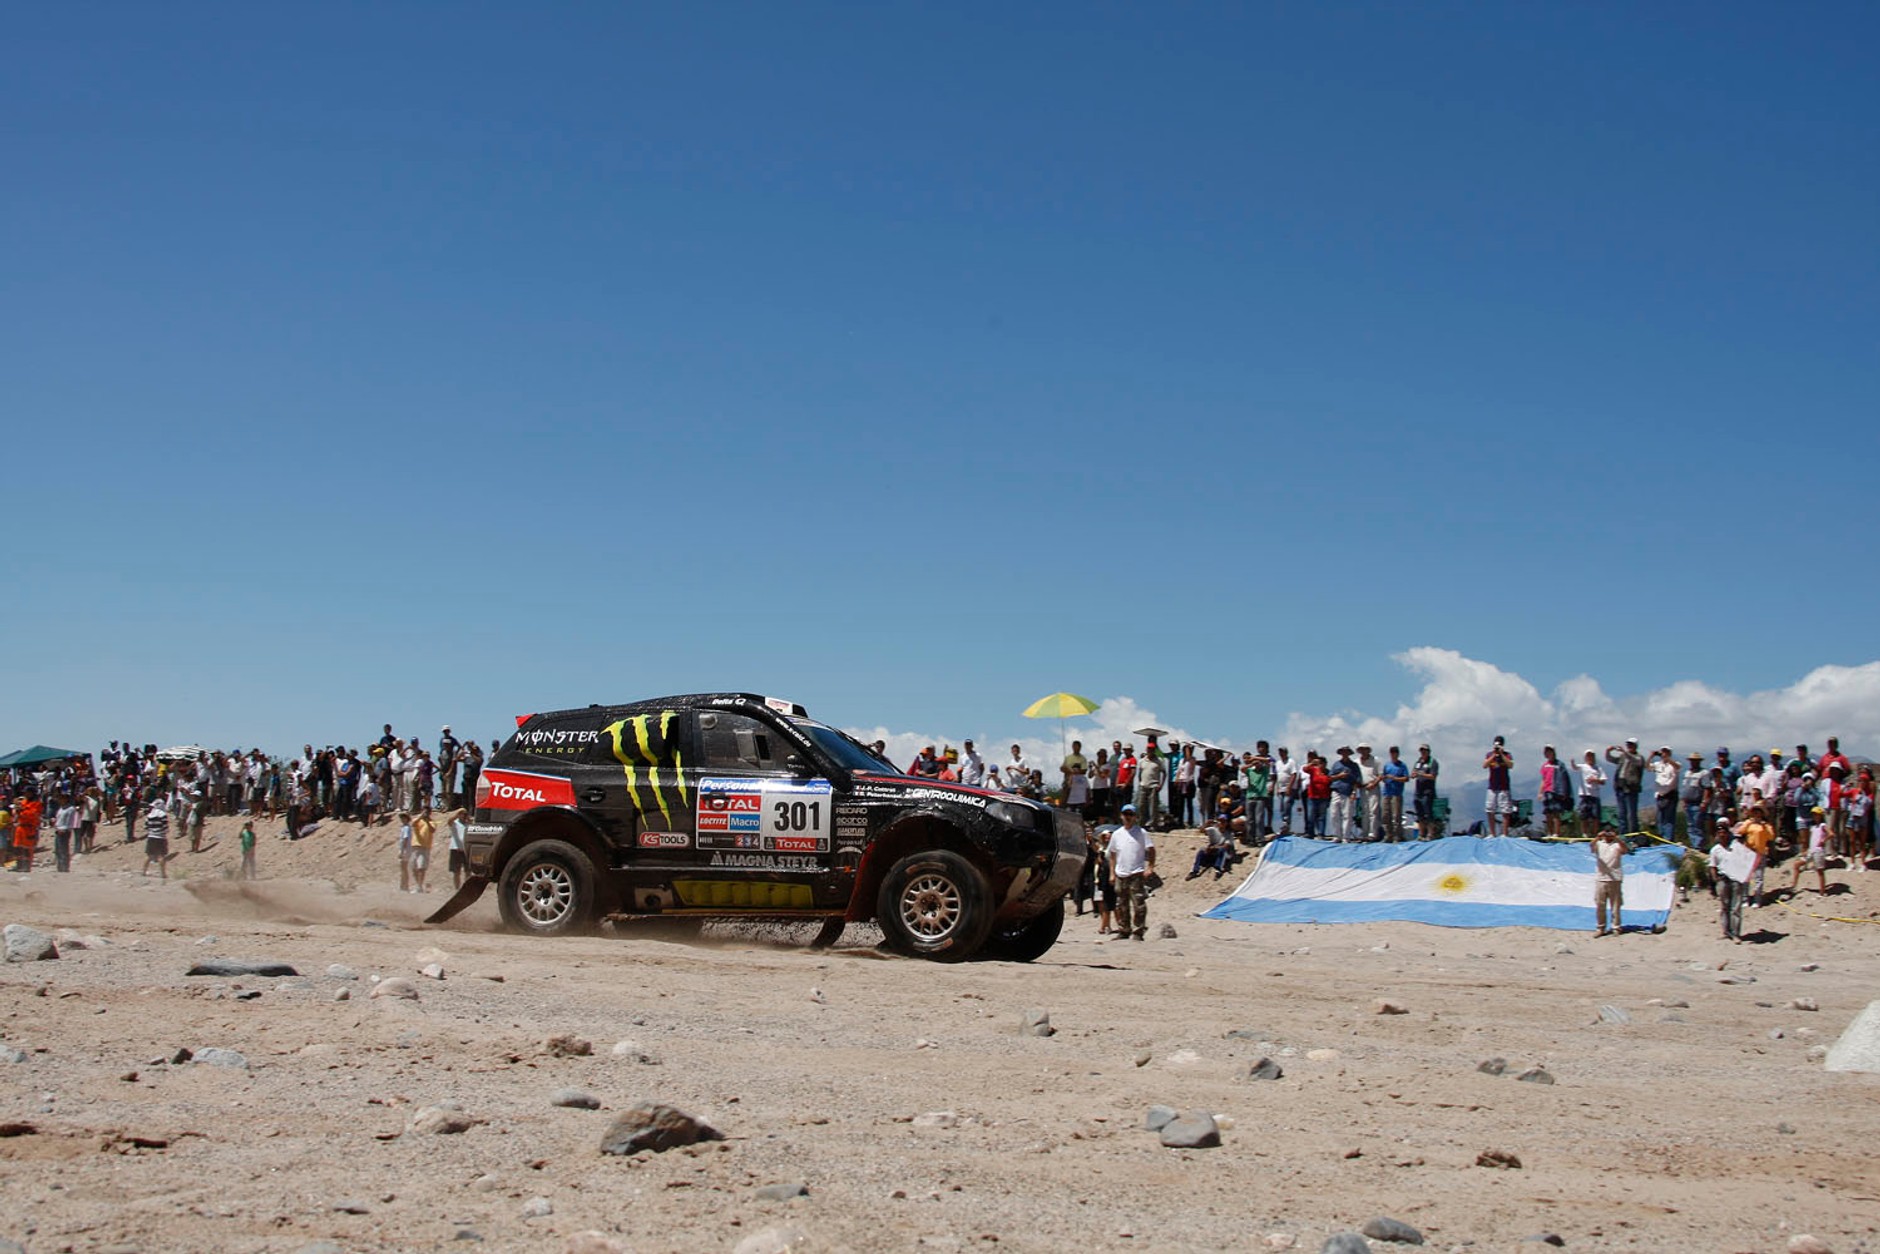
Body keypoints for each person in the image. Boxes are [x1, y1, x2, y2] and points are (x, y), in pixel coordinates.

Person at [1104, 804, 1155, 941]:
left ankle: (1138, 931)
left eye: (1130, 815)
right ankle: (1124, 929)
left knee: (1138, 904)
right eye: (1125, 814)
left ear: (1135, 817)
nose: (1127, 817)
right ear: (1121, 816)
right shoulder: (1117, 834)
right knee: (1121, 904)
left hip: (1136, 873)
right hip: (1121, 873)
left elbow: (1151, 849)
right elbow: (1113, 854)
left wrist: (1150, 866)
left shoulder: (1141, 832)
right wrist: (1112, 873)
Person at [1710, 817, 1752, 943]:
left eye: (1724, 833)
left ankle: (1736, 933)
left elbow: (1745, 860)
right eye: (1720, 833)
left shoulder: (1736, 846)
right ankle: (1726, 931)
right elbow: (1712, 866)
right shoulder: (1715, 850)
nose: (1722, 835)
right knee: (1724, 906)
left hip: (1735, 878)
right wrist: (1715, 879)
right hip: (1723, 879)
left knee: (1736, 907)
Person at [1734, 803, 1775, 907]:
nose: (1757, 814)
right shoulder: (1749, 823)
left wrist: (1764, 826)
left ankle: (1757, 899)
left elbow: (1771, 837)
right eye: (1755, 812)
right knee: (1746, 877)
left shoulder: (1766, 825)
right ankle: (1745, 899)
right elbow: (1740, 831)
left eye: (1759, 812)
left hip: (1760, 853)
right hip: (1748, 852)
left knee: (1759, 877)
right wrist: (1748, 822)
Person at [1786, 806, 1830, 898]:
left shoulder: (1823, 826)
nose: (1815, 816)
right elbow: (1811, 839)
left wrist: (1823, 841)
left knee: (1820, 871)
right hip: (1811, 850)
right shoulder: (1813, 827)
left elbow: (1831, 834)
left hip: (1818, 851)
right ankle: (1794, 885)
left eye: (1816, 815)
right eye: (1813, 815)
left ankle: (1822, 892)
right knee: (1797, 865)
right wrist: (1807, 849)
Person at [1604, 738, 1645, 836]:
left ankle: (1633, 834)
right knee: (1621, 813)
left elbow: (1636, 761)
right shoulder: (1623, 757)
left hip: (1631, 788)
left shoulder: (1639, 757)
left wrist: (1625, 753)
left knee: (1631, 813)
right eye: (1628, 745)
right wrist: (1608, 751)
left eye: (1631, 745)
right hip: (1620, 787)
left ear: (1635, 746)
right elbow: (1610, 759)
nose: (1629, 747)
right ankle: (1623, 835)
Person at [1591, 825, 1626, 936]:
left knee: (1615, 905)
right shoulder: (1599, 844)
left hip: (1615, 878)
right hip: (1601, 878)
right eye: (1607, 833)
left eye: (1610, 832)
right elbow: (1591, 847)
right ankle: (1600, 927)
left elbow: (1625, 850)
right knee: (1600, 905)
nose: (1608, 835)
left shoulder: (1617, 844)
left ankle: (1616, 927)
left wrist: (1617, 838)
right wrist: (1598, 837)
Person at [1188, 813, 1236, 879]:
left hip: (1223, 853)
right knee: (1201, 851)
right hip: (1213, 852)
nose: (1221, 823)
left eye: (1223, 821)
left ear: (1227, 823)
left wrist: (1213, 848)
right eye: (1220, 821)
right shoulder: (1213, 829)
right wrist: (1206, 824)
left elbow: (1226, 846)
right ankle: (1194, 871)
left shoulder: (1229, 834)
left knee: (1222, 850)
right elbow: (1201, 831)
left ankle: (1218, 869)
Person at [1539, 746, 1573, 838]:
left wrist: (1564, 792)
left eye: (1550, 751)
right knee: (1548, 813)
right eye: (1547, 752)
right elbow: (1543, 779)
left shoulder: (1560, 764)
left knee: (1556, 812)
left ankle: (1556, 833)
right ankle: (1549, 832)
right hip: (1547, 791)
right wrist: (1540, 792)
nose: (1548, 753)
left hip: (1557, 791)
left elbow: (1565, 779)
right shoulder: (1544, 765)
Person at [1483, 737, 1514, 837]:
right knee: (1490, 809)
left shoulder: (1507, 755)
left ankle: (1504, 833)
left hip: (1503, 786)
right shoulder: (1489, 755)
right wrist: (1493, 755)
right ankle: (1492, 833)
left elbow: (1510, 765)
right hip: (1492, 786)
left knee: (1505, 810)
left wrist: (1501, 754)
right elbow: (1484, 765)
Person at [1327, 747, 1360, 841]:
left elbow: (1356, 780)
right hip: (1336, 790)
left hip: (1348, 791)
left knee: (1347, 815)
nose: (1344, 754)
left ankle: (1346, 836)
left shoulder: (1354, 766)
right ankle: (1337, 835)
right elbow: (1330, 777)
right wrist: (1339, 776)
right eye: (1343, 752)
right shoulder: (1336, 764)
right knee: (1334, 814)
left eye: (1346, 752)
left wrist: (1354, 792)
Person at [1650, 747, 1680, 845]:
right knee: (1660, 819)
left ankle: (1668, 840)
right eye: (1662, 752)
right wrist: (1651, 756)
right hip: (1660, 795)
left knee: (1669, 819)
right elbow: (1647, 767)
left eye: (1666, 752)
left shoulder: (1674, 764)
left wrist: (1667, 759)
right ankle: (1662, 838)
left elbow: (1677, 767)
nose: (1663, 754)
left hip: (1670, 794)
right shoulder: (1658, 765)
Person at [1243, 743, 1273, 840]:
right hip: (1250, 796)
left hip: (1260, 797)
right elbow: (1242, 769)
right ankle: (1250, 838)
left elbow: (1270, 761)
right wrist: (1251, 763)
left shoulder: (1264, 771)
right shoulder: (1250, 771)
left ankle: (1260, 838)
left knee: (1259, 819)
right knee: (1250, 819)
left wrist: (1256, 758)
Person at [1379, 746, 1409, 842]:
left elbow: (1406, 778)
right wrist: (1384, 778)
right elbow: (1383, 776)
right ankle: (1388, 834)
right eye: (1392, 752)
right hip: (1387, 792)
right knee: (1385, 815)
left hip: (1397, 793)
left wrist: (1394, 778)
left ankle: (1397, 835)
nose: (1393, 754)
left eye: (1395, 752)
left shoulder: (1402, 766)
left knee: (1396, 816)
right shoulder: (1387, 765)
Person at [1574, 751, 1606, 838]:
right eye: (1588, 756)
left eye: (1592, 756)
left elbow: (1603, 781)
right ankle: (1585, 833)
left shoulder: (1598, 768)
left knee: (1595, 816)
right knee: (1584, 815)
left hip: (1595, 795)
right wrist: (1572, 762)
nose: (1590, 758)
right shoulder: (1583, 767)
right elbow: (1575, 767)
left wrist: (1595, 780)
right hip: (1585, 795)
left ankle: (1595, 833)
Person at [1412, 744, 1440, 840]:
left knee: (1428, 813)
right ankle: (1421, 834)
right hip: (1418, 791)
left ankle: (1431, 833)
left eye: (1425, 750)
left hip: (1427, 791)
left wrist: (1422, 774)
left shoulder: (1432, 762)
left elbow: (1433, 776)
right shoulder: (1418, 762)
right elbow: (1414, 772)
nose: (1423, 752)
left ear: (1428, 751)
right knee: (1419, 813)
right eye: (1421, 750)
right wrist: (1414, 774)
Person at [1134, 746, 1166, 826]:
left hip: (1154, 785)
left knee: (1153, 806)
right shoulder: (1142, 761)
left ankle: (1153, 824)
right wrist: (1140, 782)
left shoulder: (1159, 761)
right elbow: (1140, 772)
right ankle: (1142, 823)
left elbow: (1164, 773)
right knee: (1141, 805)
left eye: (1152, 750)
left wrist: (1161, 784)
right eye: (1149, 749)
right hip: (1143, 785)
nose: (1150, 751)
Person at [1356, 744, 1383, 842]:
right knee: (1364, 811)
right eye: (1361, 749)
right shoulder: (1356, 762)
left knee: (1374, 811)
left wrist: (1374, 784)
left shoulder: (1375, 760)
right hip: (1362, 788)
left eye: (1365, 749)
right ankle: (1364, 833)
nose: (1363, 751)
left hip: (1373, 787)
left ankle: (1373, 833)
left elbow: (1380, 775)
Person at [1302, 752, 1331, 837]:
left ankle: (1321, 833)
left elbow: (1330, 783)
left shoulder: (1328, 772)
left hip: (1324, 797)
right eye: (1319, 763)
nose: (1321, 765)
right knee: (1310, 816)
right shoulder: (1314, 770)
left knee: (1322, 816)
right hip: (1312, 796)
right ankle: (1310, 833)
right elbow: (1305, 769)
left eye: (1322, 763)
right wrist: (1312, 762)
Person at [1272, 747, 1300, 836]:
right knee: (1281, 808)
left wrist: (1289, 787)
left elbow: (1294, 774)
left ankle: (1286, 824)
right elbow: (1277, 775)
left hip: (1289, 788)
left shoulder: (1291, 762)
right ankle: (1285, 825)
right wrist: (1277, 788)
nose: (1281, 753)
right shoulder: (1278, 763)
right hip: (1281, 788)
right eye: (1280, 752)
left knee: (1286, 805)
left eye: (1283, 752)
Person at [142, 799, 171, 879]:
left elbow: (146, 827)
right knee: (162, 856)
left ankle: (144, 871)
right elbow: (165, 827)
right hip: (160, 837)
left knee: (149, 855)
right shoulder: (163, 815)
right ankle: (163, 874)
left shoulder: (149, 815)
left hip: (151, 836)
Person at [410, 811, 436, 892]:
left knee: (421, 867)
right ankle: (418, 885)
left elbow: (432, 830)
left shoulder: (432, 822)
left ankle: (419, 886)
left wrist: (427, 821)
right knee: (413, 867)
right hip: (415, 845)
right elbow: (413, 824)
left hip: (424, 847)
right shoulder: (417, 820)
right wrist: (420, 817)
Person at [52, 797, 79, 872]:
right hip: (58, 829)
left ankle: (65, 866)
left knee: (63, 849)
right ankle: (60, 866)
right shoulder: (61, 808)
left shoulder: (70, 809)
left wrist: (65, 829)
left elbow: (69, 820)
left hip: (65, 830)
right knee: (58, 850)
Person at [397, 812, 414, 892]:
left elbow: (405, 839)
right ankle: (403, 885)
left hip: (405, 849)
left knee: (403, 868)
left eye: (404, 818)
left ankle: (404, 885)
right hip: (406, 849)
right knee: (403, 868)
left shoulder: (406, 828)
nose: (402, 820)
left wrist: (402, 850)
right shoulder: (405, 827)